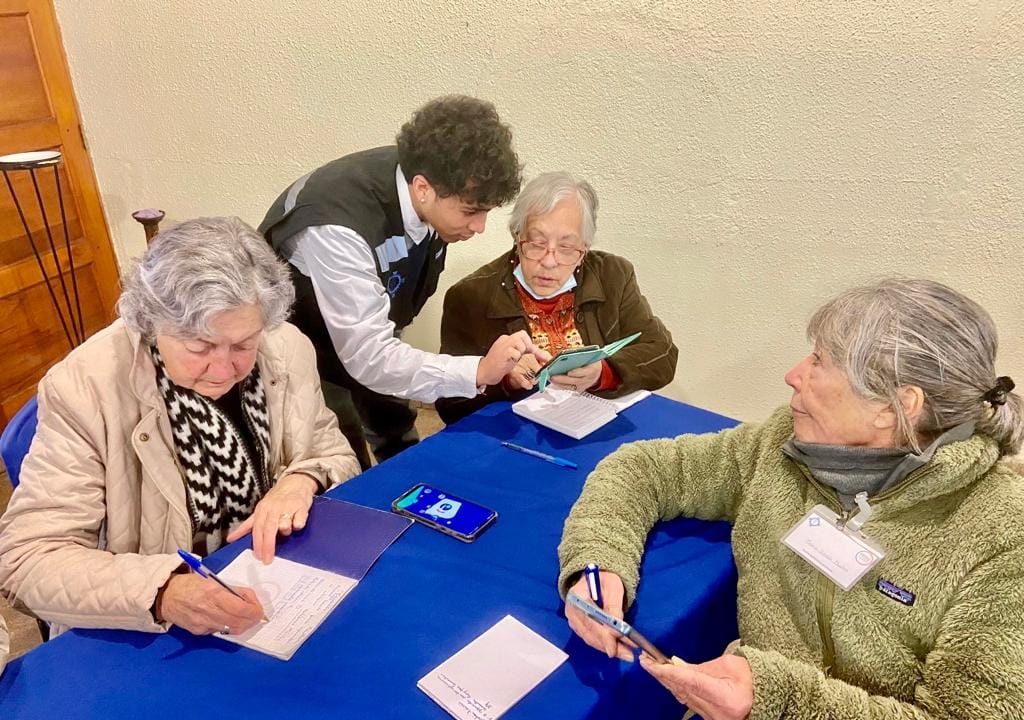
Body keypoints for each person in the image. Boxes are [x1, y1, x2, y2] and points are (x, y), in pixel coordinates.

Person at [558, 277, 1024, 720]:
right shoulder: (785, 444)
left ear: (896, 407)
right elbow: (641, 469)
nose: (793, 375)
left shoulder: (1001, 535)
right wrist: (598, 560)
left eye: (820, 362)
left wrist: (778, 708)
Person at [0, 217, 360, 639]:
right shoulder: (85, 389)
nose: (226, 369)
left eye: (243, 344)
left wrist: (300, 480)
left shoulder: (285, 347)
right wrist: (164, 590)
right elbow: (28, 559)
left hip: (273, 579)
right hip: (149, 625)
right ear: (151, 324)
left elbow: (333, 453)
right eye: (200, 347)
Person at [260, 94, 545, 467]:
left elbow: (381, 342)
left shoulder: (428, 184)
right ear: (423, 188)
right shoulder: (335, 226)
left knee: (398, 430)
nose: (479, 227)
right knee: (340, 454)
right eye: (471, 212)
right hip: (299, 346)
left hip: (367, 331)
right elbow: (368, 358)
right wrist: (477, 371)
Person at [437, 172, 677, 424]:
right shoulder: (470, 296)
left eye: (566, 247)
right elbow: (449, 405)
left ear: (584, 250)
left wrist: (603, 372)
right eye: (537, 243)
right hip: (518, 438)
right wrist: (501, 380)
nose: (549, 262)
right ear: (518, 238)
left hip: (596, 426)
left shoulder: (613, 275)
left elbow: (662, 354)